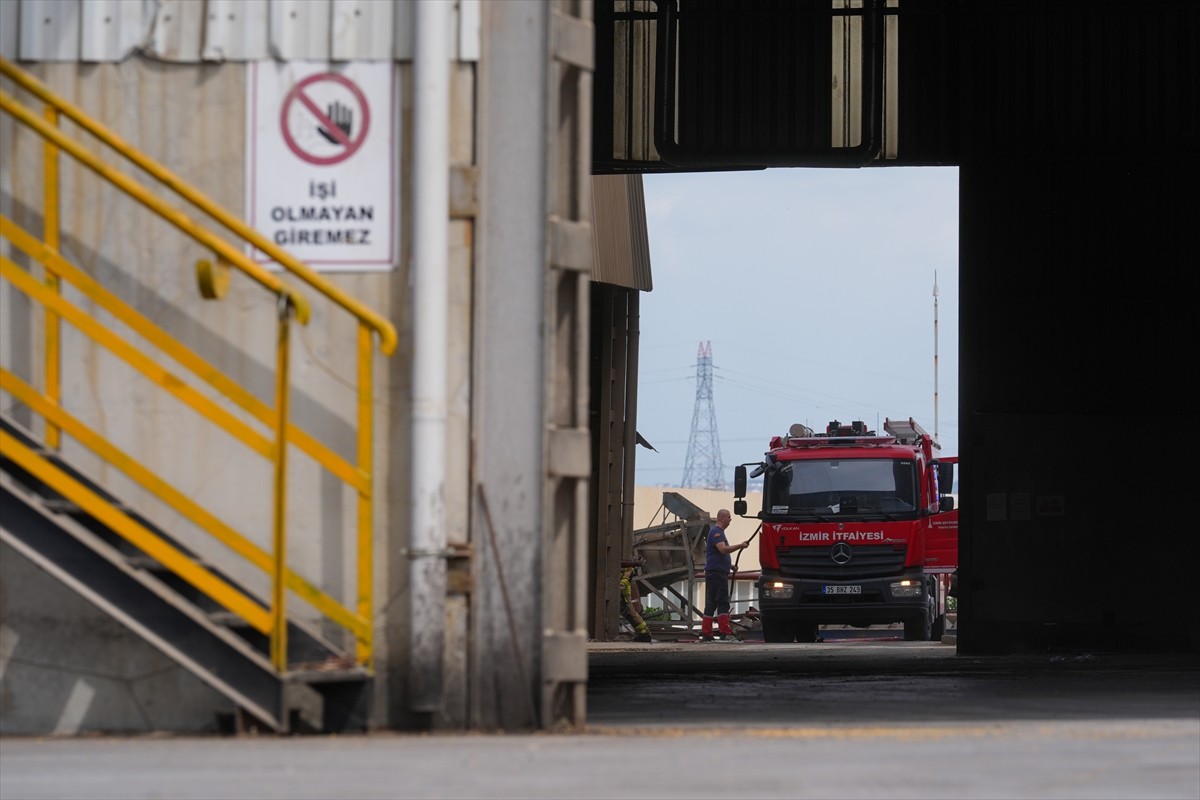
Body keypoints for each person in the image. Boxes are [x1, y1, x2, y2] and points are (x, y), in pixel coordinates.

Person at [700, 508, 749, 642]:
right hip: (717, 573)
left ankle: (707, 633)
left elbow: (718, 553)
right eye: (728, 517)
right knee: (722, 602)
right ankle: (724, 632)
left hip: (715, 572)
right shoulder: (716, 532)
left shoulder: (718, 532)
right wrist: (740, 545)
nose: (730, 519)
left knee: (711, 603)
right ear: (721, 518)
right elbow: (722, 550)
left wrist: (730, 566)